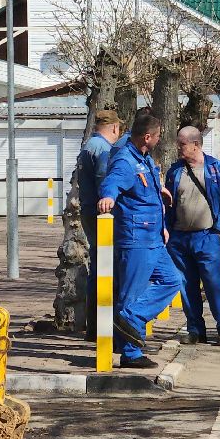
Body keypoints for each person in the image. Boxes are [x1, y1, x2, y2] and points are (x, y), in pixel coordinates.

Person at [98, 112, 183, 368]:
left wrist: (161, 191)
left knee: (172, 280)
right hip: (136, 238)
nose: (159, 140)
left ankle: (129, 319)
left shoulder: (143, 158)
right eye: (157, 136)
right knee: (131, 295)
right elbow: (112, 183)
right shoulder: (125, 160)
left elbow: (144, 188)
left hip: (154, 237)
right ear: (147, 137)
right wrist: (108, 197)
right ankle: (130, 353)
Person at [165, 126, 220, 346]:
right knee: (186, 286)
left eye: (182, 144)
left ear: (195, 144)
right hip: (179, 239)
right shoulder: (175, 171)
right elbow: (168, 204)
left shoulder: (217, 169)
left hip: (207, 237)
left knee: (214, 283)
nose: (178, 148)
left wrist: (218, 232)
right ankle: (195, 329)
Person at [77, 109, 124, 342]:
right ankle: (101, 328)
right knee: (105, 270)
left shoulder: (89, 145)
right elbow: (105, 186)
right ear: (114, 128)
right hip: (99, 215)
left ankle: (95, 326)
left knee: (98, 267)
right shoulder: (103, 149)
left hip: (87, 211)